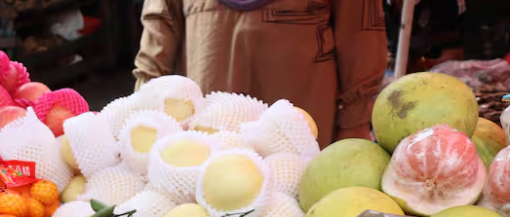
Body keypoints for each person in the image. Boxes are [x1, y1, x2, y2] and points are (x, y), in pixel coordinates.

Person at [133, 0, 389, 146]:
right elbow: (154, 58)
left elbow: (362, 49)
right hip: (204, 151)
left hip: (303, 146)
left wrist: (351, 139)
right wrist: (139, 127)